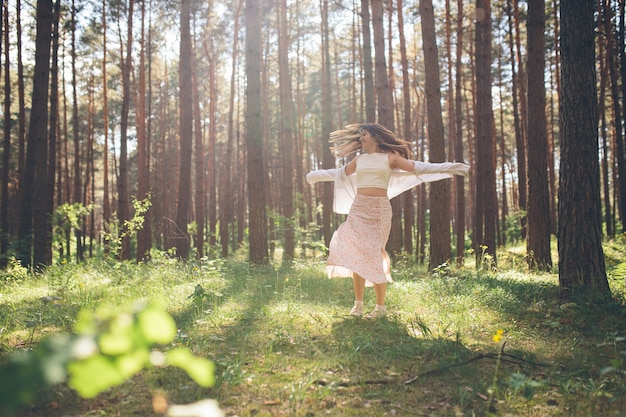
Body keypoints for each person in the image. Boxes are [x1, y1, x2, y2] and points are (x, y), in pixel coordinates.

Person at [306, 123, 469, 318]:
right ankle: (358, 306)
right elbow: (339, 174)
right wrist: (317, 176)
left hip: (380, 211)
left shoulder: (390, 158)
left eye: (364, 135)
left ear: (374, 137)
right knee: (356, 253)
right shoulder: (359, 160)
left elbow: (419, 168)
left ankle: (380, 308)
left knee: (374, 254)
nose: (361, 139)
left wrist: (450, 168)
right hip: (358, 209)